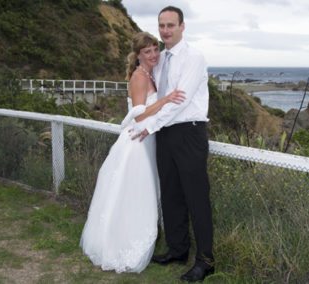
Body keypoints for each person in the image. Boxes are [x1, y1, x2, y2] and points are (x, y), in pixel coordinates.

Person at [80, 32, 185, 273]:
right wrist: (166, 99)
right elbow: (139, 114)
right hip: (136, 143)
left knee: (139, 193)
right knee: (135, 193)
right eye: (147, 51)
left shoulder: (151, 74)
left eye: (155, 49)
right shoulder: (139, 77)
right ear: (138, 55)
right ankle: (123, 244)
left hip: (148, 139)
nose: (153, 54)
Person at [132, 5, 215, 283]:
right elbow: (159, 98)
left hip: (189, 132)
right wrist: (153, 126)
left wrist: (149, 126)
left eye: (171, 25)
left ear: (182, 26)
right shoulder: (162, 58)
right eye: (162, 26)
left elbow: (180, 102)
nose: (165, 30)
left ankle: (205, 260)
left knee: (196, 198)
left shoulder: (193, 57)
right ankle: (178, 250)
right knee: (170, 194)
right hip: (165, 134)